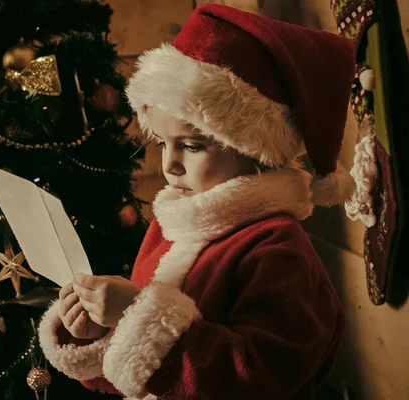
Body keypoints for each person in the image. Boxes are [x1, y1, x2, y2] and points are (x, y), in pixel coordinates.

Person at [38, 4, 356, 399]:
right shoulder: (168, 228)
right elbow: (138, 371)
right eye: (161, 142)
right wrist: (104, 331)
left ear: (251, 149)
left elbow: (257, 380)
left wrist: (139, 315)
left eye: (190, 145)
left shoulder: (279, 251)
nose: (169, 165)